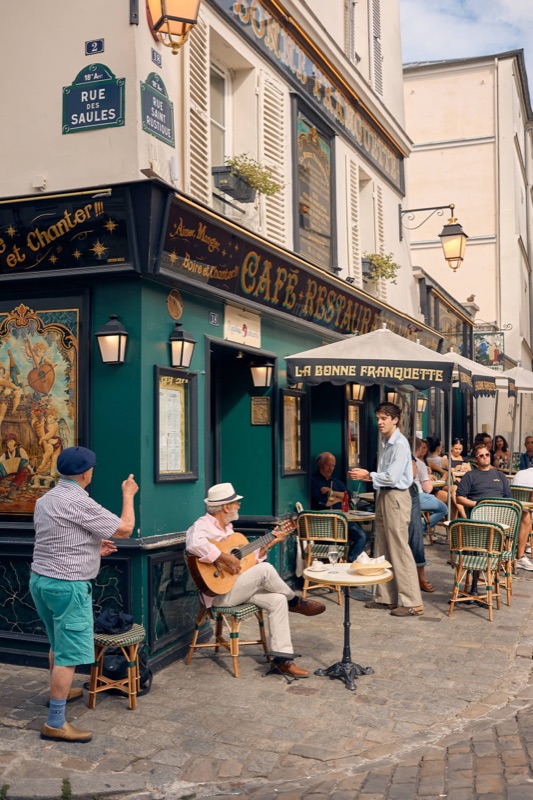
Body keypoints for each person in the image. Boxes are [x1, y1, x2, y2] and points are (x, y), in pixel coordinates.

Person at [29, 446, 139, 743]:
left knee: (57, 641)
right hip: (68, 586)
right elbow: (126, 529)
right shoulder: (79, 501)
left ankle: (59, 692)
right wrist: (128, 495)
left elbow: (57, 536)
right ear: (86, 473)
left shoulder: (45, 499)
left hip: (41, 580)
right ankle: (55, 722)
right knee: (69, 655)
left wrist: (92, 546)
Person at [186, 482, 326, 679]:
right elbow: (194, 544)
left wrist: (269, 543)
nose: (239, 506)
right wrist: (224, 558)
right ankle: (294, 601)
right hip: (219, 595)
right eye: (236, 503)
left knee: (277, 600)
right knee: (266, 569)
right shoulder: (202, 525)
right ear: (226, 506)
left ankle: (282, 660)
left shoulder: (229, 530)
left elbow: (249, 564)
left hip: (237, 587)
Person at [349, 402, 423, 617]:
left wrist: (367, 475)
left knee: (399, 548)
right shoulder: (387, 441)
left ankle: (412, 602)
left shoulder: (399, 444)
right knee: (382, 545)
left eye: (384, 418)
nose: (379, 422)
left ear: (395, 420)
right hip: (384, 495)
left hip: (396, 497)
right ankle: (386, 597)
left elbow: (391, 477)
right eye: (378, 418)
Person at [456, 444, 533, 572]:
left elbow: (509, 498)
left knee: (525, 514)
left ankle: (519, 555)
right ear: (476, 459)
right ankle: (501, 552)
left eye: (487, 454)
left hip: (501, 512)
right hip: (481, 514)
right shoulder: (470, 475)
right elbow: (459, 498)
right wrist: (478, 504)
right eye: (481, 456)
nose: (485, 457)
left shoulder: (500, 475)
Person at [311, 452, 367, 561]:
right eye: (328, 465)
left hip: (342, 520)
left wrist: (332, 492)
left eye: (333, 466)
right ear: (320, 464)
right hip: (324, 523)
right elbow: (324, 503)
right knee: (339, 542)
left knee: (362, 536)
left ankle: (349, 562)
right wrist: (341, 498)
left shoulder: (336, 482)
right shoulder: (314, 481)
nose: (331, 468)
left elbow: (349, 496)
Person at [409, 457, 433, 593]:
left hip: (411, 495)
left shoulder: (402, 447)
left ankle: (420, 577)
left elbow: (412, 474)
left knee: (415, 537)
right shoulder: (383, 452)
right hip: (390, 497)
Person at [414, 438, 448, 532]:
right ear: (418, 448)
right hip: (421, 494)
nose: (424, 450)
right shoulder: (420, 463)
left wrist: (442, 479)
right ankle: (422, 529)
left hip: (407, 495)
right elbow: (428, 489)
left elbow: (445, 472)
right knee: (443, 509)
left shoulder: (425, 462)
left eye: (426, 447)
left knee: (452, 495)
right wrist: (428, 477)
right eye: (422, 447)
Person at [0, 432, 31, 502]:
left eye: (11, 441)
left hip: (20, 471)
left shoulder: (21, 450)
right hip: (9, 472)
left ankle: (12, 490)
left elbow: (26, 460)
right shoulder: (5, 454)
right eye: (7, 442)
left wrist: (20, 465)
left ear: (15, 442)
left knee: (24, 470)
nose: (9, 444)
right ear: (6, 444)